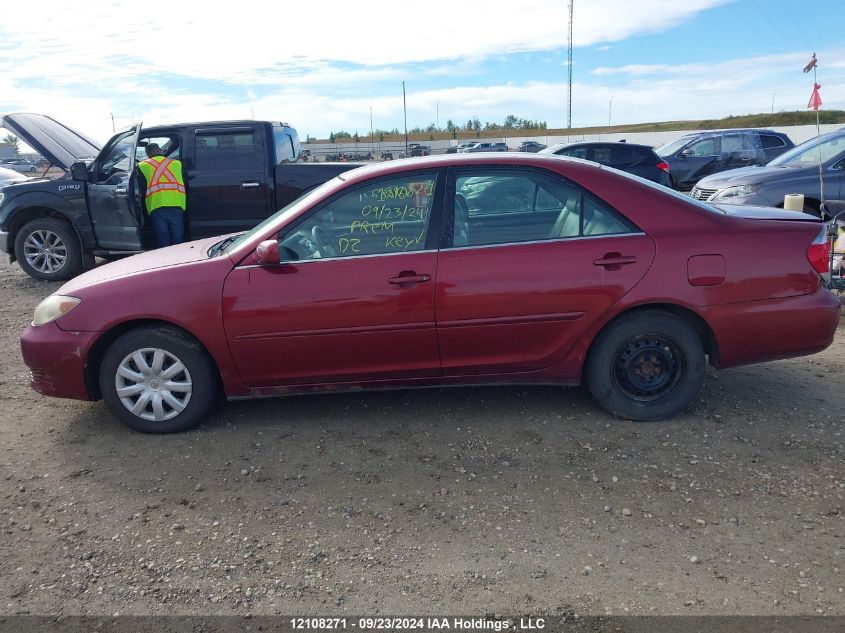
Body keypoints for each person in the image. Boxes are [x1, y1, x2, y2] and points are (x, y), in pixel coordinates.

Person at [137, 143, 186, 247]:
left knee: (162, 239)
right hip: (176, 203)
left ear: (147, 154)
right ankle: (180, 260)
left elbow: (141, 188)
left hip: (156, 205)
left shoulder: (143, 166)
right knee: (178, 239)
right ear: (160, 150)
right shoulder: (177, 163)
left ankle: (165, 261)